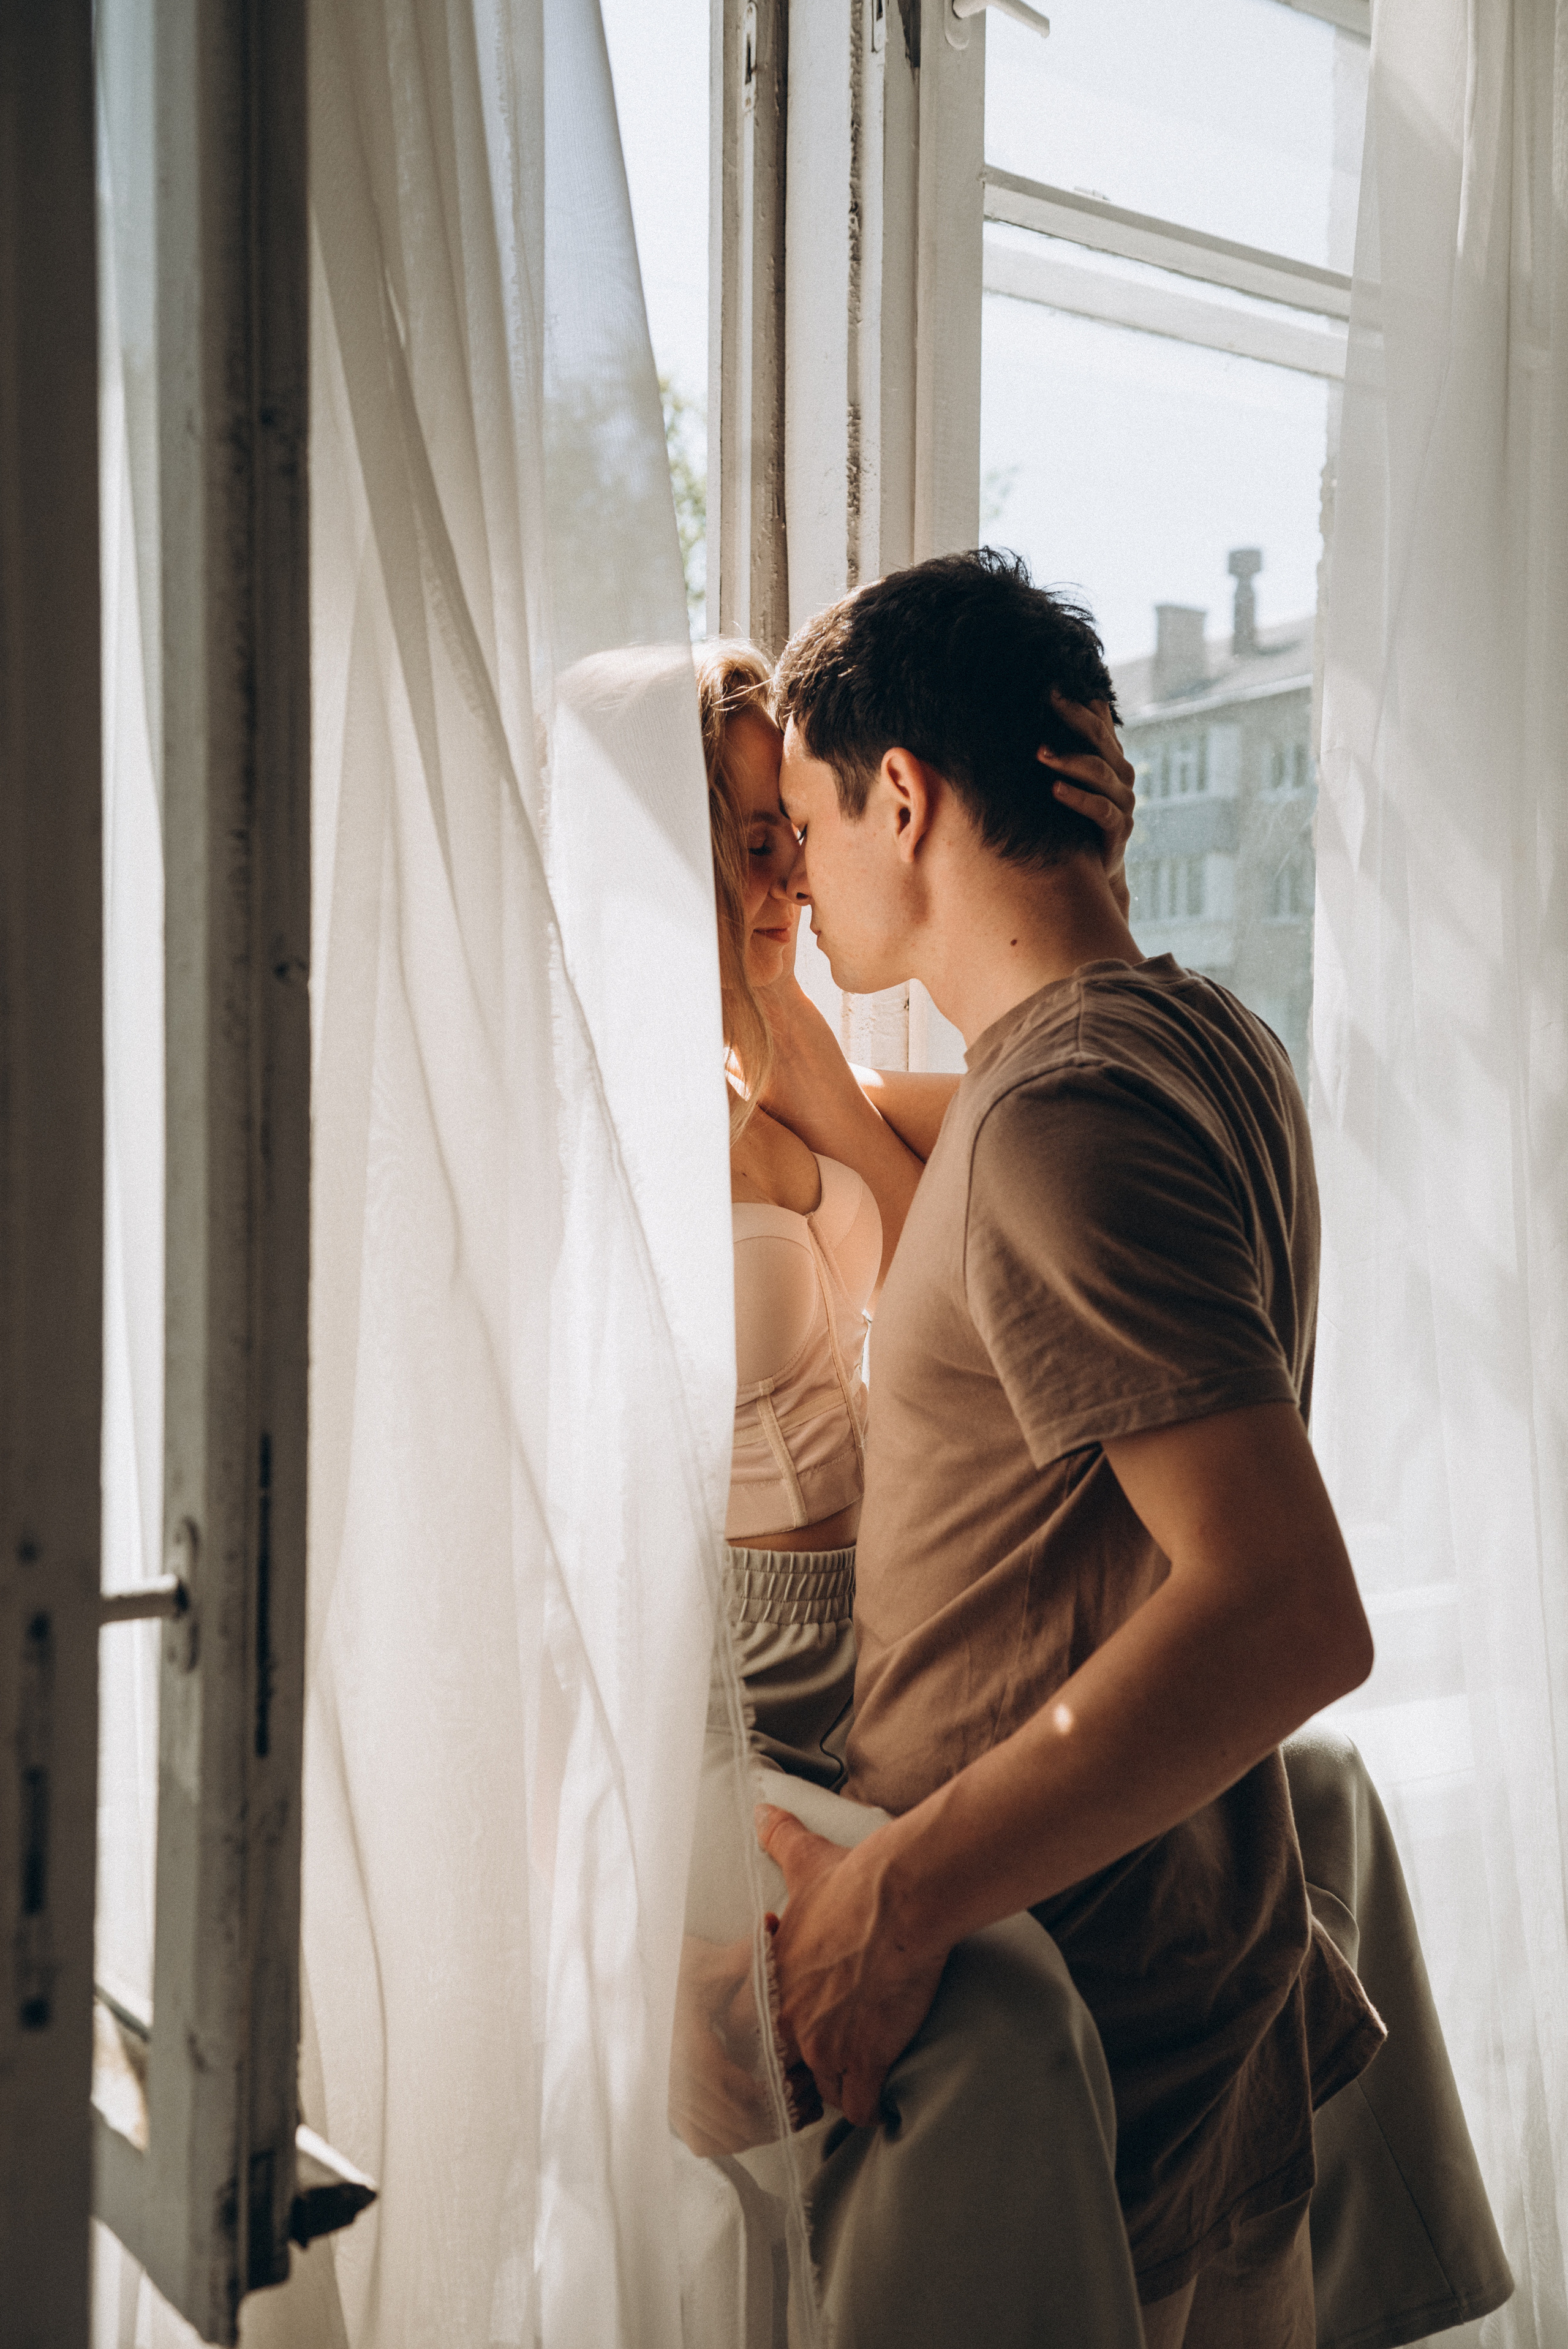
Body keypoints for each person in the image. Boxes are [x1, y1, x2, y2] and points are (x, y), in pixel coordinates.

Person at [752, 549, 1387, 2347]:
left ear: (903, 794)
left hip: (1081, 2062)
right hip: (1188, 2002)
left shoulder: (1061, 1124)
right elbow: (924, 1152)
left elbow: (1289, 1612)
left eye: (805, 817)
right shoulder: (1207, 1051)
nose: (794, 868)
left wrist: (902, 1889)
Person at [672, 639, 1151, 2347]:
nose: (790, 869)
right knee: (1001, 2006)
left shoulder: (825, 1084)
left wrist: (1080, 834)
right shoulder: (610, 1124)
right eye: (746, 839)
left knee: (1256, 1842)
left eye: (788, 827)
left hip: (876, 1653)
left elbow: (1084, 1104)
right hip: (715, 1699)